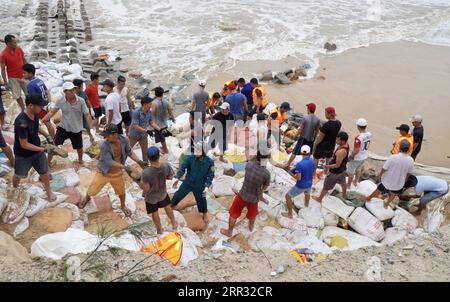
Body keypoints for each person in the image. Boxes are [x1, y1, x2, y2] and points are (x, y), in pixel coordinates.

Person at [79, 123, 146, 216]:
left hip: (117, 174)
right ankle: (87, 197)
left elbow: (129, 152)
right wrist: (125, 167)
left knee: (121, 192)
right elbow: (109, 162)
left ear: (115, 134)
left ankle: (123, 206)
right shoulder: (104, 145)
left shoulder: (124, 140)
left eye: (107, 135)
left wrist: (139, 161)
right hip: (104, 172)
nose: (106, 138)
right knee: (92, 190)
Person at [13, 93, 55, 201]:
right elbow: (24, 144)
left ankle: (49, 192)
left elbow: (37, 127)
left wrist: (47, 135)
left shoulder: (35, 114)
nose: (41, 108)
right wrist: (44, 149)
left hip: (37, 150)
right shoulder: (21, 122)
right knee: (19, 175)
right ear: (31, 105)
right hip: (23, 155)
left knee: (44, 172)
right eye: (40, 106)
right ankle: (14, 189)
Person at [220, 150, 271, 237]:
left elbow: (251, 161)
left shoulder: (249, 165)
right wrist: (260, 193)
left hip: (242, 194)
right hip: (254, 199)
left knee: (234, 213)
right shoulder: (266, 173)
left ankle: (229, 231)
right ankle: (251, 227)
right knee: (252, 214)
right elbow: (265, 187)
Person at [43, 82, 92, 169]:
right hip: (63, 127)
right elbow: (53, 111)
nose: (73, 91)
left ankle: (80, 160)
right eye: (70, 90)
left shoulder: (81, 101)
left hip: (76, 129)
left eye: (73, 89)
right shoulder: (61, 100)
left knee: (79, 147)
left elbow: (87, 114)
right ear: (65, 92)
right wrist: (44, 119)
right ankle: (47, 162)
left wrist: (90, 127)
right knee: (54, 145)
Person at [171, 142, 215, 225]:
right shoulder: (190, 158)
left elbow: (211, 175)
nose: (196, 152)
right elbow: (183, 167)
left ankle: (204, 212)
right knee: (178, 194)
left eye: (198, 150)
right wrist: (177, 177)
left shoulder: (210, 162)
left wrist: (206, 186)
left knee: (201, 200)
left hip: (200, 185)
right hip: (188, 182)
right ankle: (173, 204)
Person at [365, 140, 414, 208]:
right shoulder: (411, 160)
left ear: (399, 147)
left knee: (379, 190)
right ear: (408, 149)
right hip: (399, 183)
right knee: (393, 194)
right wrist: (404, 180)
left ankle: (368, 198)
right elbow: (409, 173)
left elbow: (384, 168)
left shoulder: (393, 157)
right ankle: (387, 204)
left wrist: (380, 175)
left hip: (388, 181)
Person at [140, 146, 178, 234]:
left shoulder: (146, 172)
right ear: (158, 156)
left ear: (148, 158)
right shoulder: (166, 165)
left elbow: (146, 189)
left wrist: (141, 183)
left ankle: (159, 229)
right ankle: (174, 223)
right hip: (162, 193)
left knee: (154, 212)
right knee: (167, 206)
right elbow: (171, 176)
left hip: (151, 197)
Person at [22, 63, 55, 141]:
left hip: (39, 107)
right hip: (45, 104)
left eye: (24, 73)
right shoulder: (39, 80)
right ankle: (52, 139)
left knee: (43, 123)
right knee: (47, 122)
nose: (23, 75)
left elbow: (33, 99)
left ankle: (52, 140)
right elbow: (47, 91)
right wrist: (49, 102)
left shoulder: (30, 85)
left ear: (30, 73)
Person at [281, 102, 320, 168]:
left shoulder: (305, 118)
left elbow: (300, 129)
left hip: (303, 138)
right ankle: (305, 166)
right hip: (311, 140)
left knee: (295, 152)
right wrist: (314, 137)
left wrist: (295, 135)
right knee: (307, 154)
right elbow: (317, 130)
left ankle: (287, 164)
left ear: (308, 109)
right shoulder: (317, 119)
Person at [314, 132, 350, 203]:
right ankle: (344, 195)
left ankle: (319, 199)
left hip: (335, 172)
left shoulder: (341, 151)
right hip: (342, 170)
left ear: (343, 141)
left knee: (326, 186)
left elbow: (337, 165)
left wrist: (326, 166)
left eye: (338, 139)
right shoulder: (346, 145)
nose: (336, 140)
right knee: (343, 183)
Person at [283, 145, 315, 218]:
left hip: (301, 186)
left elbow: (298, 178)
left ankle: (290, 214)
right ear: (309, 152)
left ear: (301, 152)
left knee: (288, 196)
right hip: (309, 183)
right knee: (307, 194)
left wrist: (290, 173)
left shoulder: (299, 165)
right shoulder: (312, 161)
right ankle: (306, 206)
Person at [1, 34, 27, 111]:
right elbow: (2, 69)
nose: (16, 44)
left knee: (28, 93)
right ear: (8, 44)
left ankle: (30, 107)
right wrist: (5, 82)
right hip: (13, 78)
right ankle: (23, 109)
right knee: (17, 96)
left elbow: (24, 59)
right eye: (14, 42)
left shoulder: (19, 49)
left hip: (23, 75)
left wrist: (28, 70)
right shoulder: (3, 55)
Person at [347, 118, 373, 188]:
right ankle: (355, 182)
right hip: (365, 155)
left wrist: (351, 156)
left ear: (358, 126)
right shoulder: (369, 134)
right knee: (358, 169)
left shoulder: (358, 138)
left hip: (357, 157)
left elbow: (357, 150)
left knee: (351, 171)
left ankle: (348, 185)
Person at [151, 86, 175, 154]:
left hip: (158, 124)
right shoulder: (166, 101)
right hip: (166, 121)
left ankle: (165, 150)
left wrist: (152, 122)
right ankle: (165, 147)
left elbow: (153, 113)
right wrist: (173, 118)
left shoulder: (154, 103)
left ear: (155, 94)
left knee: (161, 138)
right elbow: (170, 111)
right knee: (166, 134)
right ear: (162, 94)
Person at [129, 96, 153, 163]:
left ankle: (145, 165)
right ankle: (120, 164)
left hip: (143, 135)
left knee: (145, 151)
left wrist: (159, 129)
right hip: (134, 135)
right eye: (150, 104)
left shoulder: (149, 112)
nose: (151, 105)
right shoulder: (136, 112)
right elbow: (135, 125)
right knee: (127, 149)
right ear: (145, 104)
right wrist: (146, 131)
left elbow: (151, 122)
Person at [73, 78, 95, 143]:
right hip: (75, 116)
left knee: (87, 127)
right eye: (82, 86)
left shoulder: (83, 93)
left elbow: (87, 101)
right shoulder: (71, 95)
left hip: (84, 114)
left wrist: (91, 109)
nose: (83, 87)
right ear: (77, 87)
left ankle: (91, 137)